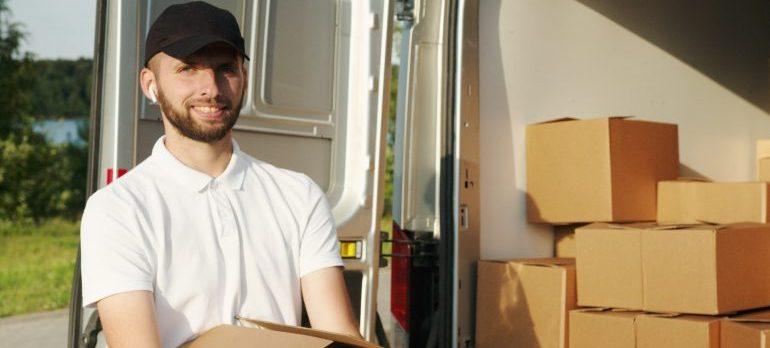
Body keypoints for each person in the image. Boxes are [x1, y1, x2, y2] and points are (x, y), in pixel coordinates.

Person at [79, 2, 360, 347]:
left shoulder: (299, 195)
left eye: (226, 68)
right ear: (150, 84)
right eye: (188, 69)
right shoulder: (118, 208)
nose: (211, 88)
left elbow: (341, 338)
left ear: (244, 78)